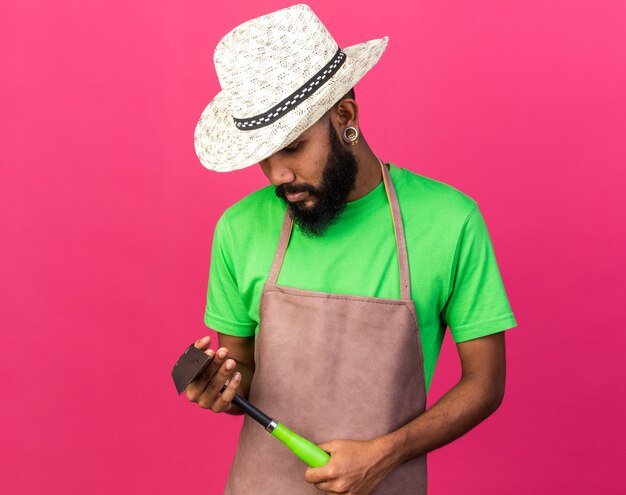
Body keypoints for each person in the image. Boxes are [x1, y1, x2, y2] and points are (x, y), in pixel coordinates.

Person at [185, 4, 517, 494]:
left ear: (345, 115)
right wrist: (221, 389)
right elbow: (242, 373)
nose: (278, 176)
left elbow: (485, 384)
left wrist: (387, 453)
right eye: (263, 157)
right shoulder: (239, 228)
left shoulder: (450, 222)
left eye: (293, 147)